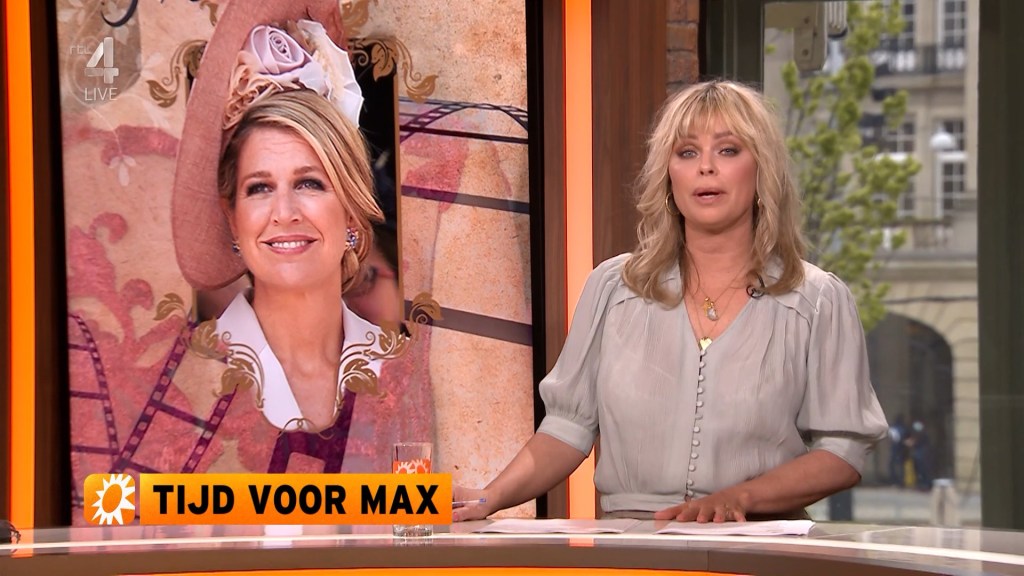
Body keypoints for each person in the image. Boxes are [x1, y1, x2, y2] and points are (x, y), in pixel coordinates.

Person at [453, 80, 888, 523]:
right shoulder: (613, 288)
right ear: (668, 177)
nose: (706, 168)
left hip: (755, 543)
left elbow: (844, 450)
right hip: (634, 546)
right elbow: (567, 427)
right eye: (687, 152)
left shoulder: (816, 300)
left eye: (728, 150)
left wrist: (740, 497)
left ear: (763, 171)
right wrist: (489, 497)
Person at [164, 1, 432, 475]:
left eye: (309, 183)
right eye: (259, 188)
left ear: (351, 209)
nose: (284, 212)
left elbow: (410, 514)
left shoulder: (401, 374)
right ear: (232, 218)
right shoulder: (184, 376)